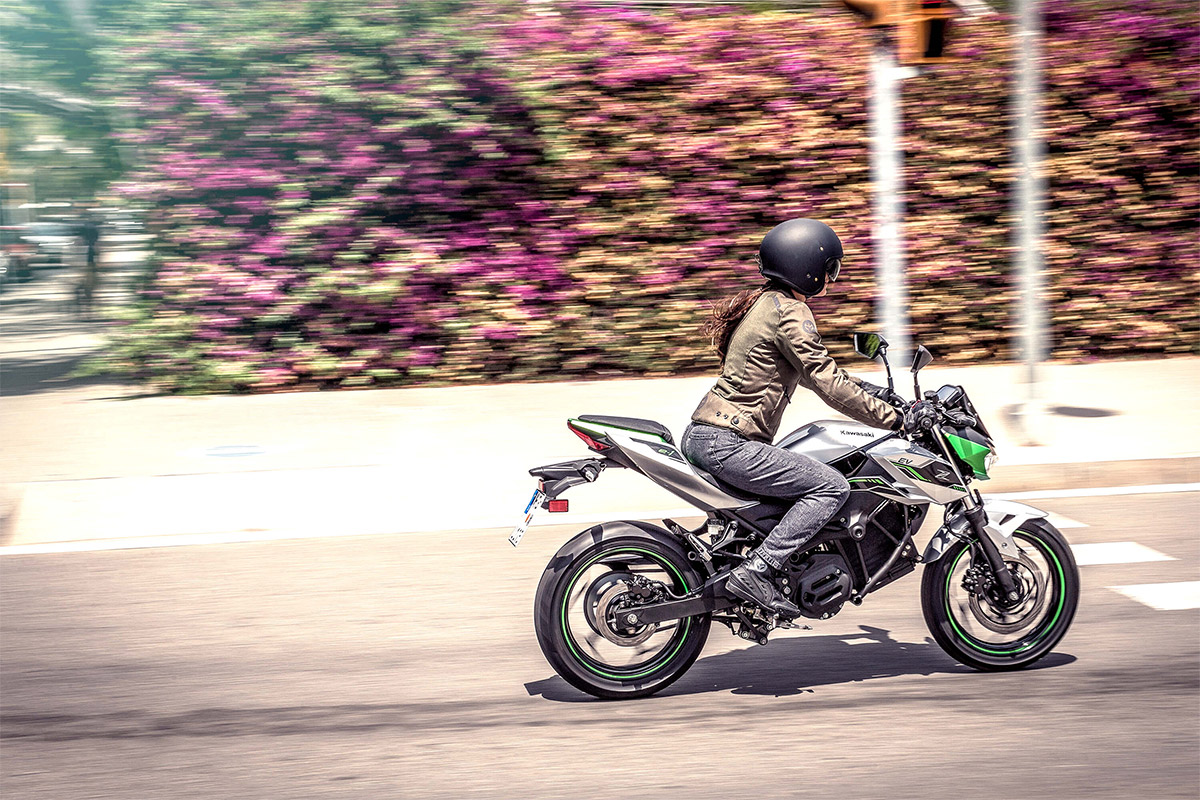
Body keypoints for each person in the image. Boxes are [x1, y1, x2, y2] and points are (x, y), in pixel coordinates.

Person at [681, 218, 931, 617]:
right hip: (728, 442)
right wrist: (896, 421)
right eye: (829, 268)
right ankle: (758, 571)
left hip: (712, 436)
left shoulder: (766, 304)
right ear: (806, 266)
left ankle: (761, 568)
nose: (831, 279)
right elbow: (828, 383)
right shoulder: (791, 312)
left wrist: (885, 397)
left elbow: (827, 375)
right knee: (831, 487)